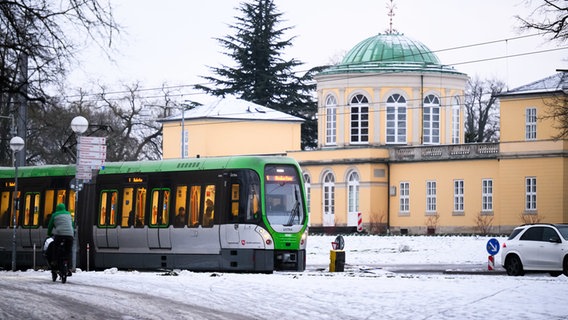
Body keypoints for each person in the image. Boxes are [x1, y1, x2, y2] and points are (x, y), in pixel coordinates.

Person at [47, 203, 74, 280]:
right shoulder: (68, 214)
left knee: (55, 248)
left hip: (59, 235)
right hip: (69, 235)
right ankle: (68, 266)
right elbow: (72, 225)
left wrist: (49, 234)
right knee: (68, 251)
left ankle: (54, 262)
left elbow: (50, 226)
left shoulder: (55, 215)